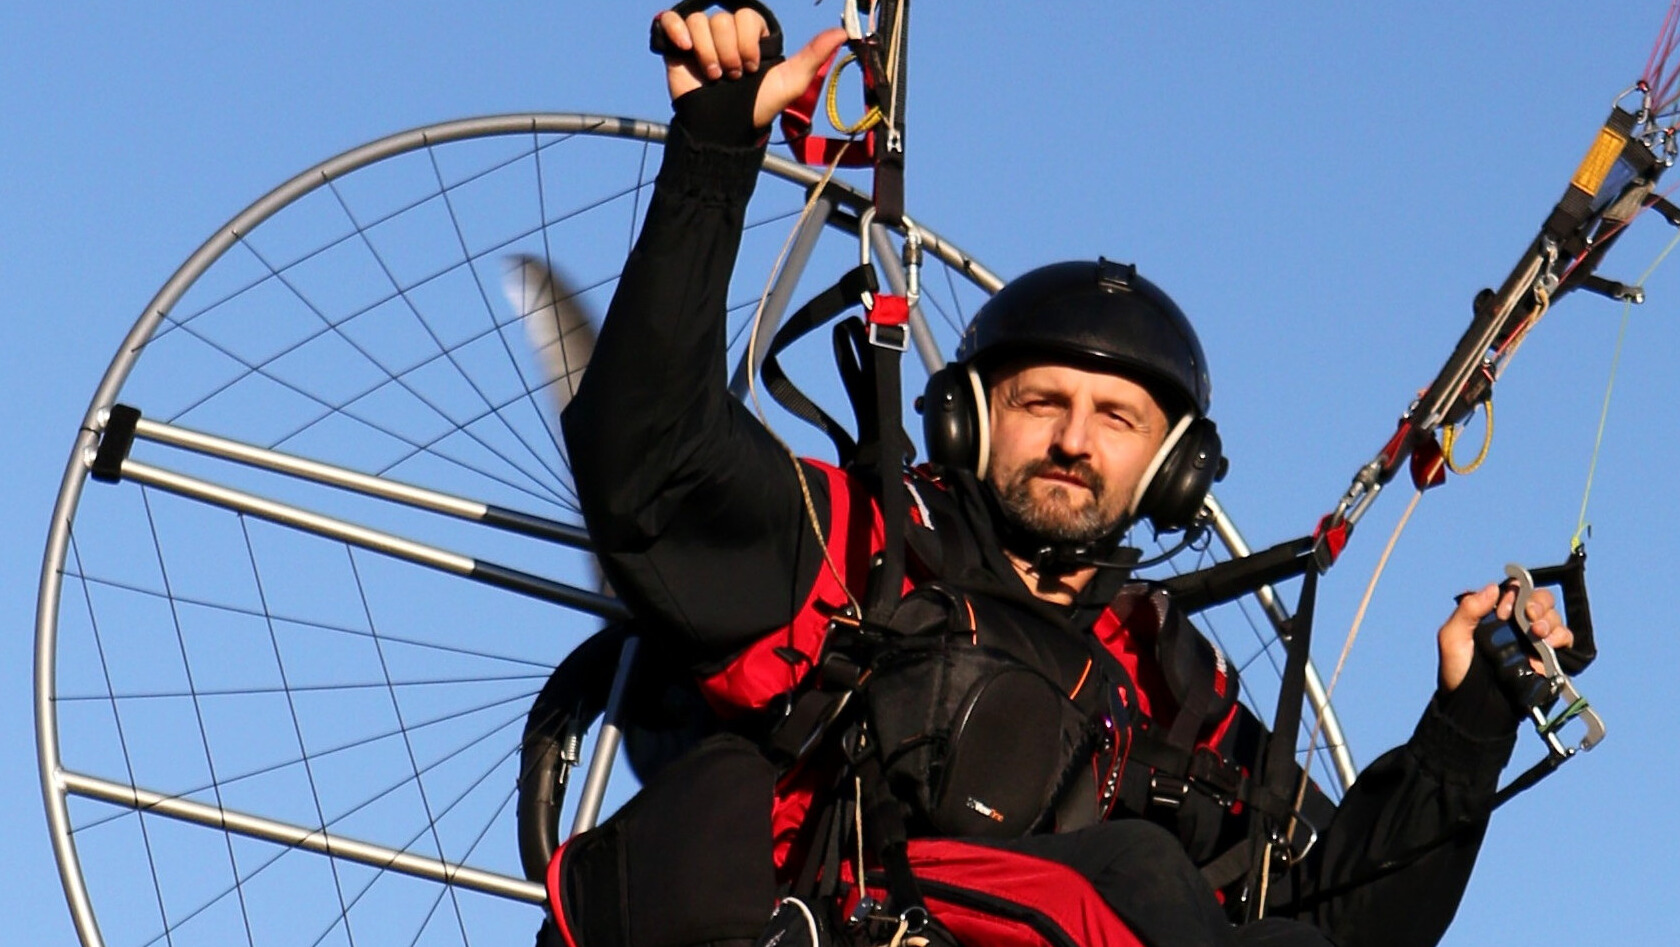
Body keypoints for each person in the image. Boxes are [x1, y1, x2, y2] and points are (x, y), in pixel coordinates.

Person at [549, 8, 1578, 947]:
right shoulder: (864, 544)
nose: (1074, 439)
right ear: (967, 419)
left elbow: (1348, 922)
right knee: (1136, 873)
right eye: (1042, 403)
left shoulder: (1174, 682)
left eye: (1117, 418)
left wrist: (1469, 717)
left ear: (1174, 469)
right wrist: (714, 152)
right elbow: (648, 467)